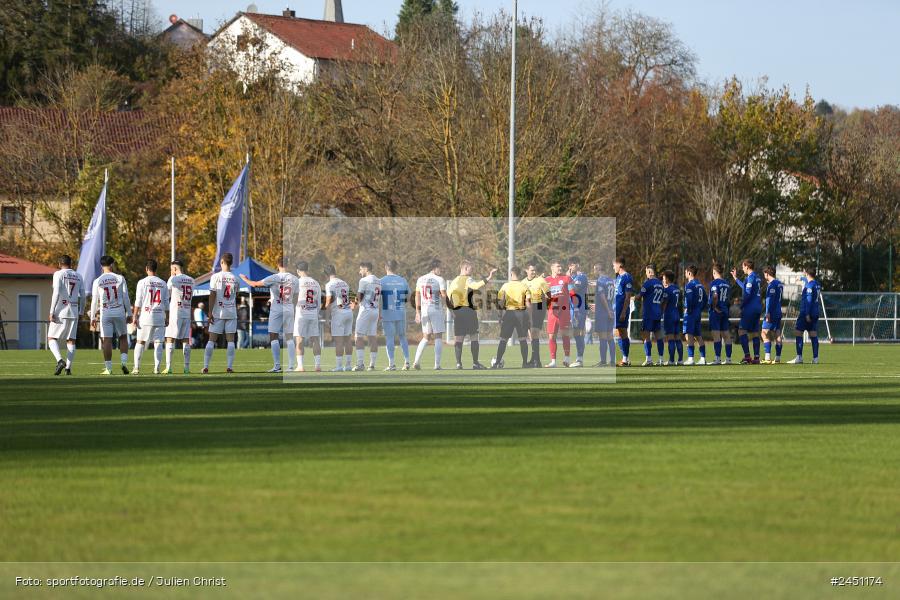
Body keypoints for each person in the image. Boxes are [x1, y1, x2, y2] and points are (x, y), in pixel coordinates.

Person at [242, 258, 298, 373]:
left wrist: (245, 279)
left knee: (273, 336)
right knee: (289, 337)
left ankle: (277, 366)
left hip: (277, 309)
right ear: (288, 264)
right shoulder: (294, 279)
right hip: (289, 308)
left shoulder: (274, 277)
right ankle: (291, 366)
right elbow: (296, 296)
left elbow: (255, 284)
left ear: (278, 265)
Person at [447, 260, 497, 370]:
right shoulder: (468, 279)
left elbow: (448, 298)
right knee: (474, 336)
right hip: (468, 311)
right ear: (465, 268)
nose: (472, 270)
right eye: (470, 268)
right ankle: (475, 363)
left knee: (458, 338)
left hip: (457, 312)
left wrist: (452, 312)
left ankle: (459, 364)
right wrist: (489, 277)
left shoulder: (453, 281)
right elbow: (476, 285)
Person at [90, 255, 131, 375]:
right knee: (123, 337)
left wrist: (92, 317)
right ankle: (123, 363)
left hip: (106, 312)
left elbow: (94, 300)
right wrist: (129, 313)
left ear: (101, 266)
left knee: (107, 339)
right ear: (112, 264)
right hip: (119, 311)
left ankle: (108, 368)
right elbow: (126, 297)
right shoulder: (120, 278)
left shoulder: (97, 281)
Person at [48, 255, 85, 375]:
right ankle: (68, 368)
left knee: (51, 338)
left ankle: (60, 361)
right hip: (74, 311)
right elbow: (83, 296)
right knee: (71, 341)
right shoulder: (78, 276)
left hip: (61, 311)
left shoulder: (58, 274)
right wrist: (81, 312)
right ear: (71, 263)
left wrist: (51, 311)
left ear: (59, 264)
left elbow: (56, 292)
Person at [203, 252, 239, 374]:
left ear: (222, 262)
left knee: (211, 340)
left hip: (218, 312)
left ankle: (206, 366)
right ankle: (229, 367)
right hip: (231, 312)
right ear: (231, 263)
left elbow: (212, 294)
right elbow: (236, 294)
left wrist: (210, 312)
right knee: (231, 340)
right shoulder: (236, 278)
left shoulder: (215, 277)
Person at [132, 259, 169, 375]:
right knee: (158, 342)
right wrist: (167, 317)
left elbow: (138, 301)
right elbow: (166, 302)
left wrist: (134, 316)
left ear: (147, 269)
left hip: (146, 316)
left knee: (140, 341)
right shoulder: (163, 283)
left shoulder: (142, 282)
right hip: (159, 316)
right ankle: (157, 368)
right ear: (156, 269)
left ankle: (136, 368)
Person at [490, 266, 532, 368]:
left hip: (509, 314)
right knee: (522, 339)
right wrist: (530, 317)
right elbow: (528, 303)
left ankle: (497, 363)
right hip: (521, 313)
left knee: (503, 339)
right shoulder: (524, 286)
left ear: (511, 274)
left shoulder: (505, 286)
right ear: (520, 274)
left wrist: (500, 315)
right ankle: (524, 363)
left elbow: (500, 302)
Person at [413, 259, 447, 370]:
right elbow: (444, 296)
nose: (441, 270)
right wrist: (451, 308)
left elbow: (417, 296)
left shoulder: (420, 279)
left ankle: (416, 361)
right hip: (436, 309)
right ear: (435, 267)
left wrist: (417, 312)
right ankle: (437, 365)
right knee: (438, 336)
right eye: (440, 267)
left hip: (424, 310)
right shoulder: (439, 279)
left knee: (426, 337)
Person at [164, 259, 194, 374]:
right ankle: (186, 368)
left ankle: (169, 367)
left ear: (175, 268)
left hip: (175, 312)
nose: (171, 271)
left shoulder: (173, 279)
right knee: (185, 340)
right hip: (186, 311)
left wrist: (171, 277)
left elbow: (166, 293)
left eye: (172, 269)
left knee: (170, 338)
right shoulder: (191, 280)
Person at [380, 260, 411, 371]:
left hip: (387, 313)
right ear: (396, 268)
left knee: (389, 338)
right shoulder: (403, 280)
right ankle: (407, 362)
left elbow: (377, 298)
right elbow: (408, 297)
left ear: (386, 267)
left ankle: (392, 364)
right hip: (400, 312)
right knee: (402, 337)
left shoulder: (381, 281)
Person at [544, 261, 575, 368]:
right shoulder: (546, 280)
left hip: (564, 311)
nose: (560, 268)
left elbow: (572, 293)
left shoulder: (566, 278)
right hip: (552, 312)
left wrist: (575, 307)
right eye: (558, 266)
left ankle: (567, 358)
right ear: (552, 268)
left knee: (565, 334)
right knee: (551, 336)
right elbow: (544, 295)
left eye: (561, 266)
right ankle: (553, 361)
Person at [293, 261, 323, 372]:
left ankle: (300, 366)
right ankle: (318, 365)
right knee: (315, 339)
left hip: (301, 313)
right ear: (307, 269)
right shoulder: (316, 283)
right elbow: (319, 302)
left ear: (297, 271)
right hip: (313, 313)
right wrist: (315, 311)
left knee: (299, 339)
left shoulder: (297, 282)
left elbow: (293, 299)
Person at [731, 259, 762, 364]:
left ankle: (747, 356)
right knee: (755, 332)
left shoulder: (750, 277)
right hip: (757, 308)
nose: (742, 268)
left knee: (741, 331)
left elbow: (747, 294)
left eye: (743, 266)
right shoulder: (757, 277)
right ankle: (756, 357)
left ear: (747, 267)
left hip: (750, 308)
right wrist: (736, 278)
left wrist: (742, 306)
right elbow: (745, 287)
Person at [788, 267, 822, 364]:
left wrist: (807, 314)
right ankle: (815, 358)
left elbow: (809, 300)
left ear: (807, 273)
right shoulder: (817, 284)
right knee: (813, 334)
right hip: (815, 312)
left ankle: (799, 357)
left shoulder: (809, 286)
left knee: (798, 332)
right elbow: (808, 280)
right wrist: (802, 278)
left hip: (806, 313)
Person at [353, 262, 382, 371]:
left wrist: (355, 303)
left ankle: (360, 364)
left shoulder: (364, 280)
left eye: (361, 269)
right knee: (372, 337)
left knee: (358, 336)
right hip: (375, 310)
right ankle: (372, 365)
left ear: (366, 269)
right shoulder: (378, 280)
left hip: (366, 310)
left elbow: (360, 295)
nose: (359, 272)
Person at [323, 265, 352, 372]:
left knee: (339, 341)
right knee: (348, 340)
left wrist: (327, 318)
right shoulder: (345, 283)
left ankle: (339, 366)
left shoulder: (329, 284)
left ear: (326, 274)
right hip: (348, 312)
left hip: (338, 314)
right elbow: (352, 298)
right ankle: (348, 366)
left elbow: (328, 301)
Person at [638, 264, 665, 367]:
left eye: (646, 272)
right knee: (659, 337)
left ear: (649, 272)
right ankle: (661, 359)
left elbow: (639, 296)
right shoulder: (660, 284)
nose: (646, 274)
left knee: (646, 337)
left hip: (648, 313)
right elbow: (662, 299)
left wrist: (631, 298)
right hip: (657, 313)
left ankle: (648, 359)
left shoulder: (647, 283)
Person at [523, 263, 550, 368]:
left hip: (539, 306)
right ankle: (535, 359)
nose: (534, 272)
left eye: (534, 270)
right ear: (526, 270)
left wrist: (550, 306)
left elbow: (549, 294)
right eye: (531, 270)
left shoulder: (540, 280)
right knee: (531, 334)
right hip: (528, 307)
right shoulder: (523, 282)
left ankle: (536, 361)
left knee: (535, 332)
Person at [590, 263, 616, 367]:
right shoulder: (610, 281)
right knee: (610, 336)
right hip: (610, 310)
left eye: (594, 269)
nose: (593, 272)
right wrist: (610, 309)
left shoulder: (600, 281)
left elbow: (602, 296)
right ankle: (612, 361)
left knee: (602, 337)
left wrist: (606, 310)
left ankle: (603, 361)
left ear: (597, 269)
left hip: (603, 312)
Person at [682, 265, 707, 366]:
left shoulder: (689, 285)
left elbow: (689, 298)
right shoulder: (700, 285)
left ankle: (691, 358)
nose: (685, 274)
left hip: (691, 313)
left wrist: (688, 309)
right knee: (698, 335)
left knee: (689, 335)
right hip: (697, 313)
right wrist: (700, 308)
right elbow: (705, 299)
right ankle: (703, 358)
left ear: (689, 273)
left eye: (685, 272)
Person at [708, 263, 733, 365]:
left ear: (714, 272)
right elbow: (728, 299)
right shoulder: (727, 284)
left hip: (716, 312)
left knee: (716, 334)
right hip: (725, 311)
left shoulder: (714, 283)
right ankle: (728, 359)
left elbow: (715, 296)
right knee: (726, 334)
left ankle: (717, 358)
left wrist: (714, 307)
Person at [567, 258, 589, 368]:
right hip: (573, 309)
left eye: (573, 265)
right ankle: (579, 359)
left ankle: (579, 359)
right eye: (570, 265)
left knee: (579, 333)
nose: (571, 267)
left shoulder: (582, 277)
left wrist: (567, 279)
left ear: (578, 265)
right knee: (576, 334)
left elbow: (573, 290)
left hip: (579, 309)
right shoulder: (572, 277)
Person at [612, 257, 634, 366]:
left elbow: (627, 296)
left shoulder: (627, 277)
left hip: (621, 309)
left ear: (619, 265)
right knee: (619, 333)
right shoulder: (618, 277)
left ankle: (625, 359)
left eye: (614, 265)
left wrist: (624, 311)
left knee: (623, 332)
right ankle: (625, 359)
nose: (613, 267)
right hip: (616, 309)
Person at [761, 266, 784, 364]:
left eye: (764, 274)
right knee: (777, 334)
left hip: (772, 313)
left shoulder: (771, 285)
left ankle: (767, 358)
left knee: (764, 333)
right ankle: (777, 358)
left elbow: (769, 300)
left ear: (767, 274)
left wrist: (767, 313)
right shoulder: (779, 284)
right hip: (778, 312)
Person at [661, 270, 683, 366]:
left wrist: (660, 312)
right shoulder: (677, 288)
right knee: (677, 337)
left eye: (663, 278)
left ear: (667, 279)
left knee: (670, 338)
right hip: (676, 314)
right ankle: (680, 360)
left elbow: (664, 304)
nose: (662, 280)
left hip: (669, 315)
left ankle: (671, 360)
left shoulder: (667, 290)